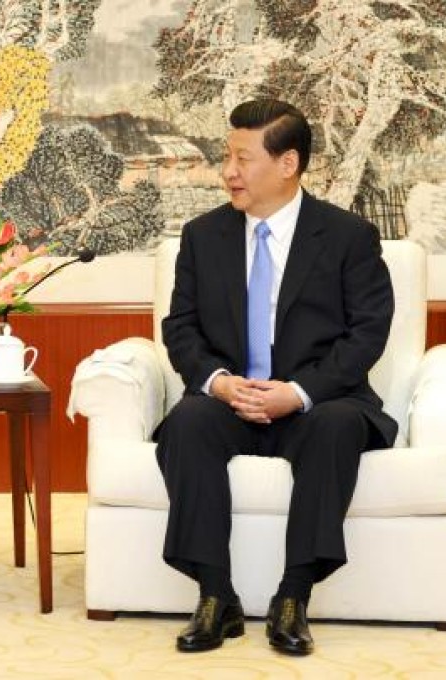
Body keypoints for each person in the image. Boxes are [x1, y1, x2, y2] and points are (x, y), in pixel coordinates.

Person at [155, 100, 395, 656]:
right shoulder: (203, 236)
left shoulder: (348, 236)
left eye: (242, 158)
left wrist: (298, 392)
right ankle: (216, 596)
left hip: (316, 399)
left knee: (337, 425)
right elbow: (181, 327)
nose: (228, 172)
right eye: (226, 157)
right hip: (232, 399)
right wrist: (217, 382)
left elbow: (367, 334)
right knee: (187, 422)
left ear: (288, 164)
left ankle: (293, 598)